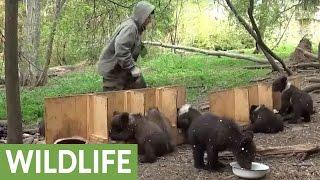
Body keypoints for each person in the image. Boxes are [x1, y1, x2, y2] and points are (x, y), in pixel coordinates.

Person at [97, 1, 155, 91]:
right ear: (142, 16)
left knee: (141, 88)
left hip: (122, 69)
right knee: (114, 101)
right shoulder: (130, 27)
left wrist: (141, 49)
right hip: (114, 71)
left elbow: (131, 44)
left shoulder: (136, 27)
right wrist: (132, 67)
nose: (149, 20)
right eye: (148, 17)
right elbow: (121, 49)